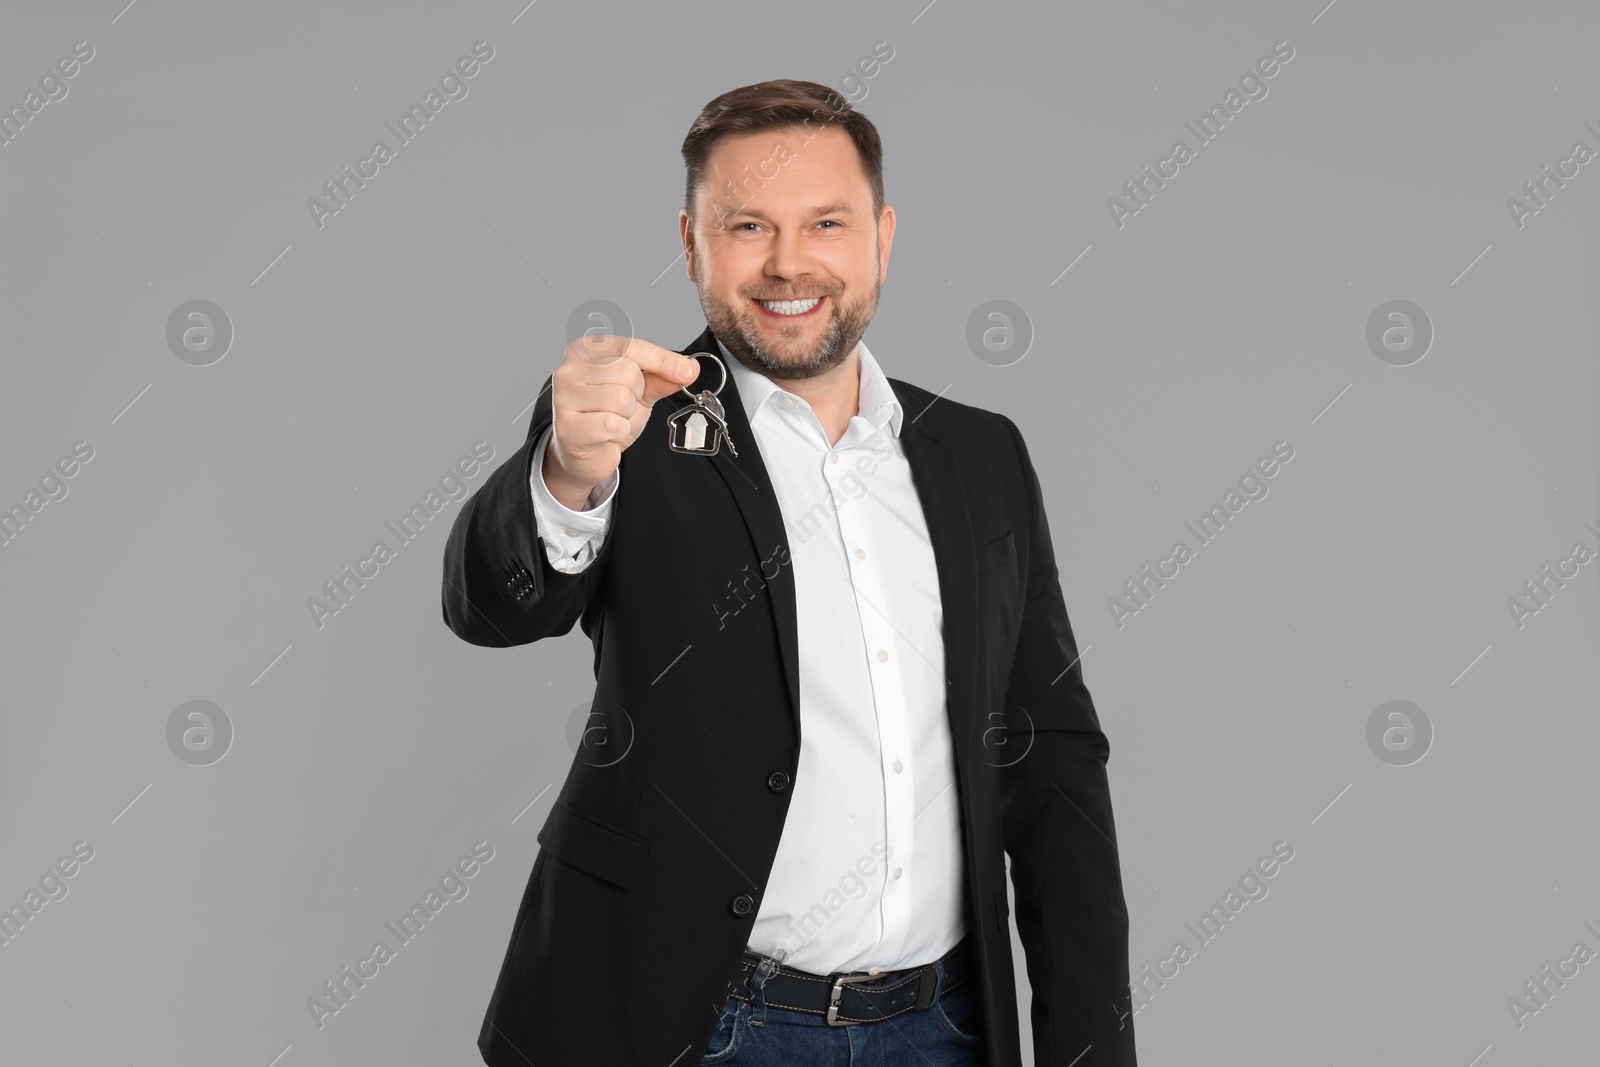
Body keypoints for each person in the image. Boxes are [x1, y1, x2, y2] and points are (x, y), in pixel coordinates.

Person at [442, 78, 1137, 1067]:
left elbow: (1052, 757)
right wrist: (565, 472)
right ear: (691, 243)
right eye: (747, 226)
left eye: (826, 222)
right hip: (693, 1023)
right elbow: (491, 605)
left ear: (881, 238)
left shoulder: (982, 456)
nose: (788, 262)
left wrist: (1089, 1046)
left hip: (942, 1026)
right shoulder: (626, 431)